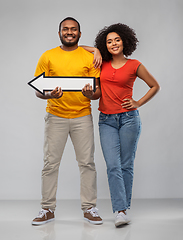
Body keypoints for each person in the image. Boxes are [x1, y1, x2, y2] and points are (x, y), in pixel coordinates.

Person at [82, 23, 160, 227]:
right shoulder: (101, 63)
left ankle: (121, 211)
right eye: (108, 41)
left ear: (125, 41)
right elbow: (78, 48)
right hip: (106, 120)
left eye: (117, 39)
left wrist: (138, 102)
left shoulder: (134, 65)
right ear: (105, 45)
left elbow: (154, 86)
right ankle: (121, 208)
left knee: (126, 165)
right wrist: (96, 50)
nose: (113, 43)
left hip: (129, 119)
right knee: (113, 166)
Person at [31, 17, 103, 225]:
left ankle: (90, 208)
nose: (69, 32)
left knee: (87, 163)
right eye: (65, 29)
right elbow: (39, 90)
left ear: (80, 34)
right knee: (50, 164)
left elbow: (97, 92)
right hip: (55, 117)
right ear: (59, 32)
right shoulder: (48, 56)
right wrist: (49, 95)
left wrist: (90, 95)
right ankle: (47, 209)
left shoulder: (90, 57)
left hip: (82, 117)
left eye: (73, 29)